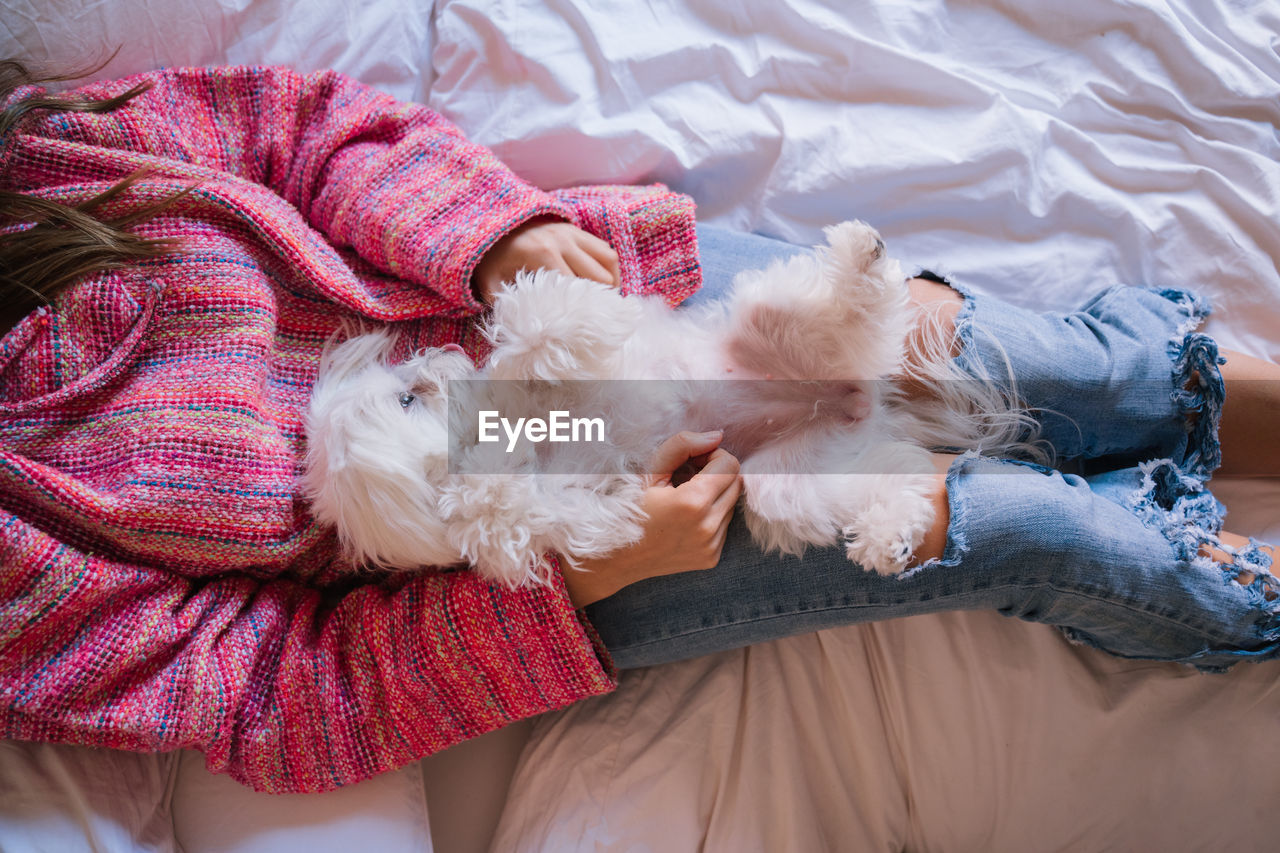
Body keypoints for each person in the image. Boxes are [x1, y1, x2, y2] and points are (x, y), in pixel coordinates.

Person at [0, 61, 1275, 796]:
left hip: (549, 322)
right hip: (537, 546)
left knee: (1010, 364)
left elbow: (298, 127)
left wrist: (492, 235)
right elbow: (279, 696)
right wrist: (600, 568)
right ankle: (1237, 603)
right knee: (1017, 530)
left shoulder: (56, 161)